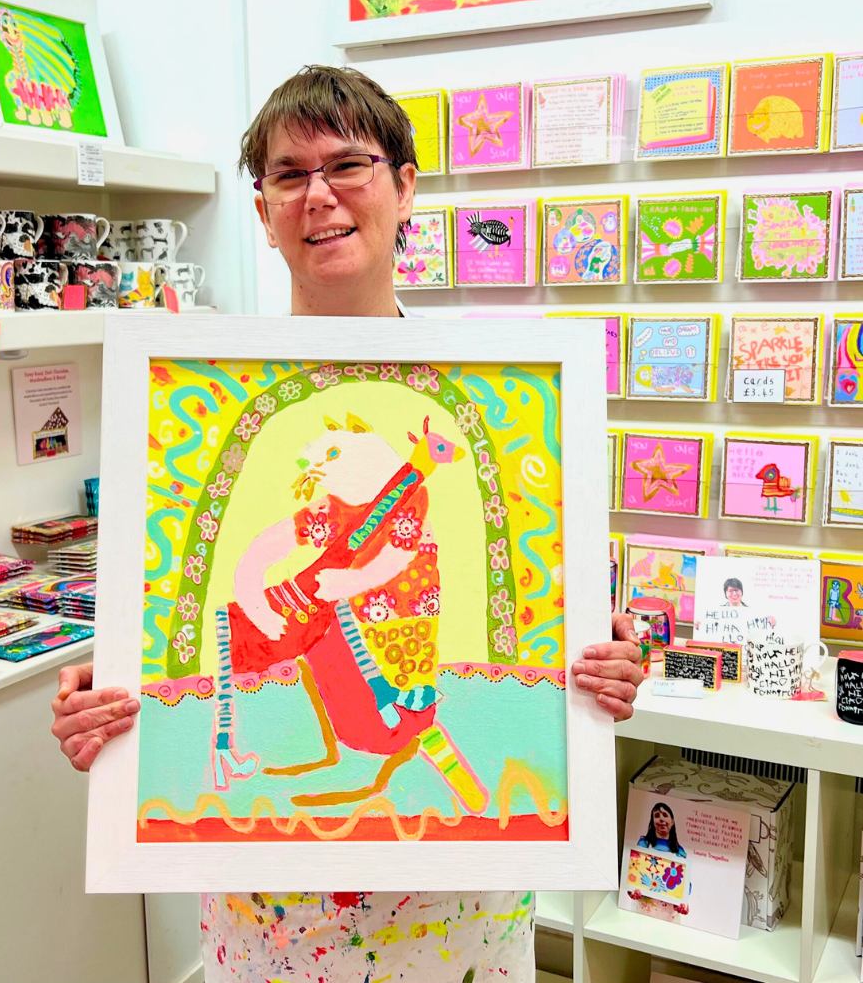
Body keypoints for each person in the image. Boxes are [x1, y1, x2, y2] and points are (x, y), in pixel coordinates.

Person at [51, 65, 644, 983]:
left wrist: (596, 661)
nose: (318, 195)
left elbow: (542, 603)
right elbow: (205, 595)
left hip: (458, 920)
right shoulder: (185, 386)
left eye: (348, 165)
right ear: (262, 209)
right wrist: (115, 695)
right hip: (271, 925)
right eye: (289, 175)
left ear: (406, 187)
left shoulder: (507, 377)